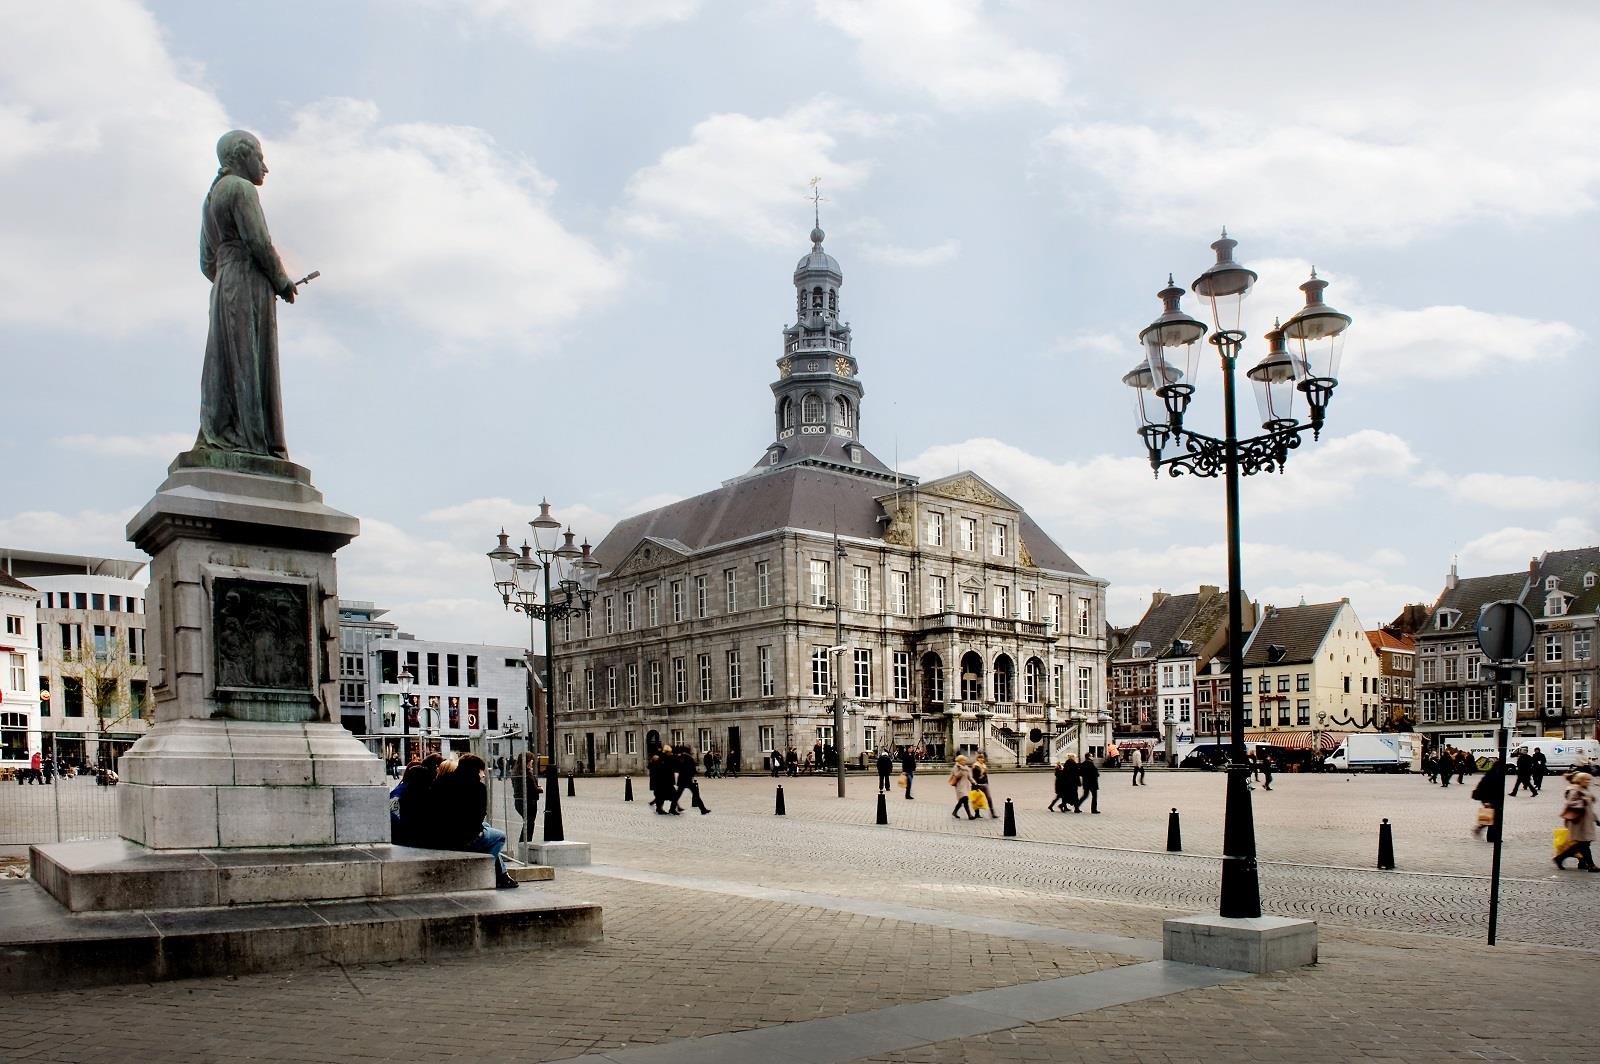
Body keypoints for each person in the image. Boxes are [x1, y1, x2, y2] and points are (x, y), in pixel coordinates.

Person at [197, 130, 298, 458]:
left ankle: (230, 431)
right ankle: (253, 440)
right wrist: (281, 281)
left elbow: (205, 261)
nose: (265, 167)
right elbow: (258, 242)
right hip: (248, 282)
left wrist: (227, 275)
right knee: (249, 360)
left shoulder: (212, 196)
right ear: (242, 156)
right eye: (260, 157)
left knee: (227, 362)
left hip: (224, 283)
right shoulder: (241, 189)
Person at [432, 754, 517, 888]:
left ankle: (502, 874)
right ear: (476, 770)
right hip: (463, 839)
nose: (483, 775)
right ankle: (482, 871)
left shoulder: (440, 783)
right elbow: (479, 816)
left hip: (440, 837)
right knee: (500, 836)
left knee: (487, 826)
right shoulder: (478, 787)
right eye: (482, 771)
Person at [1554, 771, 1597, 871]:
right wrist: (1584, 800)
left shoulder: (1583, 788)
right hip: (1578, 822)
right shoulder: (1574, 789)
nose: (1588, 781)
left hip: (1585, 821)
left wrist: (1595, 818)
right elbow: (1571, 803)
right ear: (1580, 780)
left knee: (1582, 844)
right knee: (1583, 844)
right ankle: (1591, 865)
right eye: (1586, 779)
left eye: (1589, 779)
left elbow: (1589, 808)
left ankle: (1561, 858)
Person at [1471, 757, 1507, 841]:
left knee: (1492, 817)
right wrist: (1485, 801)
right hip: (1490, 799)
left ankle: (1487, 833)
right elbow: (1483, 788)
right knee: (1494, 818)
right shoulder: (1491, 776)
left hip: (1495, 799)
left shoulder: (1496, 775)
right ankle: (1490, 836)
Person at [510, 751, 541, 843]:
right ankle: (525, 843)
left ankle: (524, 842)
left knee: (527, 823)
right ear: (527, 761)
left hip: (518, 801)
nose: (532, 762)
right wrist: (540, 789)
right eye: (531, 760)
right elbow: (533, 788)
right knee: (529, 823)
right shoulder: (527, 774)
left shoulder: (516, 772)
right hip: (529, 801)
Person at [674, 745, 710, 814]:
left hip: (684, 779)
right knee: (694, 794)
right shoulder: (686, 757)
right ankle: (703, 809)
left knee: (682, 794)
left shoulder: (683, 757)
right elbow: (688, 768)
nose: (693, 752)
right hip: (686, 779)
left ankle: (703, 809)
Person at [648, 744, 676, 814]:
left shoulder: (664, 758)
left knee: (663, 796)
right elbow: (663, 770)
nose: (670, 753)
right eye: (669, 752)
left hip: (664, 782)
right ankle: (661, 809)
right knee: (661, 797)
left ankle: (667, 809)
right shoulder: (662, 758)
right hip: (662, 782)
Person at [948, 755, 977, 820]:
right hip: (959, 786)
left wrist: (974, 782)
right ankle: (969, 815)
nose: (964, 762)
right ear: (959, 761)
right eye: (963, 760)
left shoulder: (966, 767)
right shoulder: (956, 767)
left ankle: (955, 812)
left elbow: (969, 777)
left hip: (965, 786)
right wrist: (961, 769)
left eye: (965, 760)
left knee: (962, 800)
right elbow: (956, 775)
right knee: (965, 799)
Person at [970, 753, 999, 819]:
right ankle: (977, 814)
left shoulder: (984, 765)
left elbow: (985, 776)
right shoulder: (975, 766)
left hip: (984, 784)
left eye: (983, 758)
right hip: (977, 785)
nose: (982, 759)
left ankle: (993, 813)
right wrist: (983, 772)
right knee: (976, 799)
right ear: (977, 759)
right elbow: (976, 777)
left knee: (989, 798)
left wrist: (986, 781)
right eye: (980, 758)